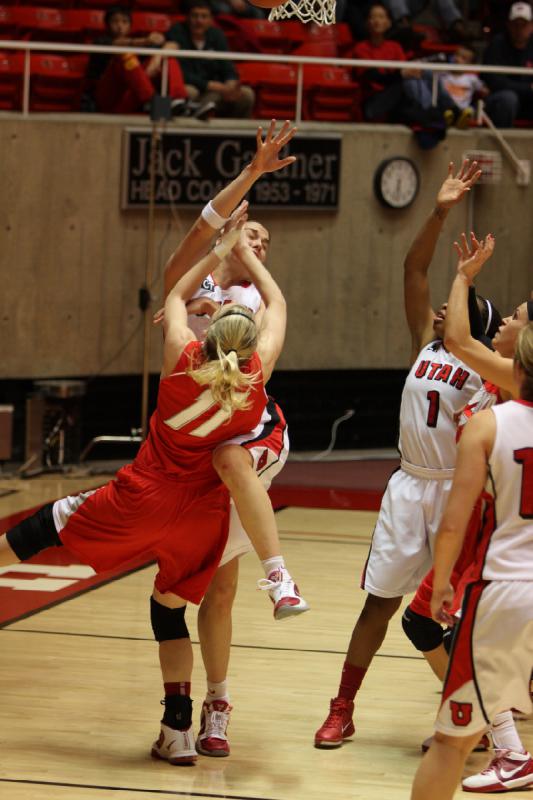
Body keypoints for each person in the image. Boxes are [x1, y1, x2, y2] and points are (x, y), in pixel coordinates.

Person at [0, 123, 302, 767]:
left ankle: (218, 697)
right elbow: (204, 228)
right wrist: (241, 195)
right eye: (253, 231)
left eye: (266, 240)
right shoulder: (208, 290)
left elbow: (220, 290)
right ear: (230, 232)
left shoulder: (218, 321)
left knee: (216, 582)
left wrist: (229, 253)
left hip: (233, 445)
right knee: (193, 592)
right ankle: (195, 712)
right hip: (196, 462)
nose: (259, 242)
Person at [314, 160, 484, 749]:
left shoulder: (486, 370)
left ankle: (471, 712)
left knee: (450, 619)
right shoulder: (424, 343)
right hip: (410, 488)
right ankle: (342, 707)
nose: (439, 310)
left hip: (457, 494)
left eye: (452, 308)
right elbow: (414, 268)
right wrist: (439, 211)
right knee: (378, 607)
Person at [410, 320, 533, 800]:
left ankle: (512, 755)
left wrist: (443, 584)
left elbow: (455, 524)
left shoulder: (488, 424)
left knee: (450, 744)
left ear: (516, 367)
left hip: (504, 590)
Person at [351, 4, 451, 133]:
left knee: (423, 72)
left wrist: (409, 72)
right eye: (372, 17)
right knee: (408, 80)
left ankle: (447, 109)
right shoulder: (361, 48)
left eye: (381, 17)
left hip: (398, 101)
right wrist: (402, 74)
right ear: (367, 23)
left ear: (388, 23)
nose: (376, 21)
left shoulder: (394, 46)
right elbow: (376, 78)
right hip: (374, 103)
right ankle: (432, 114)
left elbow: (404, 73)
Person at [86, 6, 188, 115]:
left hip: (130, 98)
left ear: (130, 26)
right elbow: (118, 45)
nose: (120, 26)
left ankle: (178, 100)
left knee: (168, 58)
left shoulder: (140, 43)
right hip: (107, 98)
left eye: (124, 22)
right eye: (115, 21)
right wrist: (146, 41)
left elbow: (173, 45)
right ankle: (152, 102)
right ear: (107, 25)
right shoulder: (100, 41)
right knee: (126, 55)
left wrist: (158, 57)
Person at [166, 0, 255, 119]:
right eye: (195, 16)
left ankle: (237, 134)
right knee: (189, 92)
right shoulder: (177, 32)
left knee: (247, 94)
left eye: (204, 16)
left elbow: (227, 65)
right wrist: (210, 85)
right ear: (187, 18)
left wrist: (231, 82)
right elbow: (181, 72)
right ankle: (183, 133)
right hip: (194, 86)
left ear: (211, 20)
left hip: (217, 88)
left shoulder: (217, 35)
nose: (199, 21)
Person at [483, 2, 533, 128]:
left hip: (529, 100)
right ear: (508, 25)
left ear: (532, 26)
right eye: (516, 24)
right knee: (508, 99)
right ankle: (502, 144)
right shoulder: (497, 44)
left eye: (524, 25)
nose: (519, 29)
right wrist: (529, 88)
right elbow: (495, 81)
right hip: (501, 100)